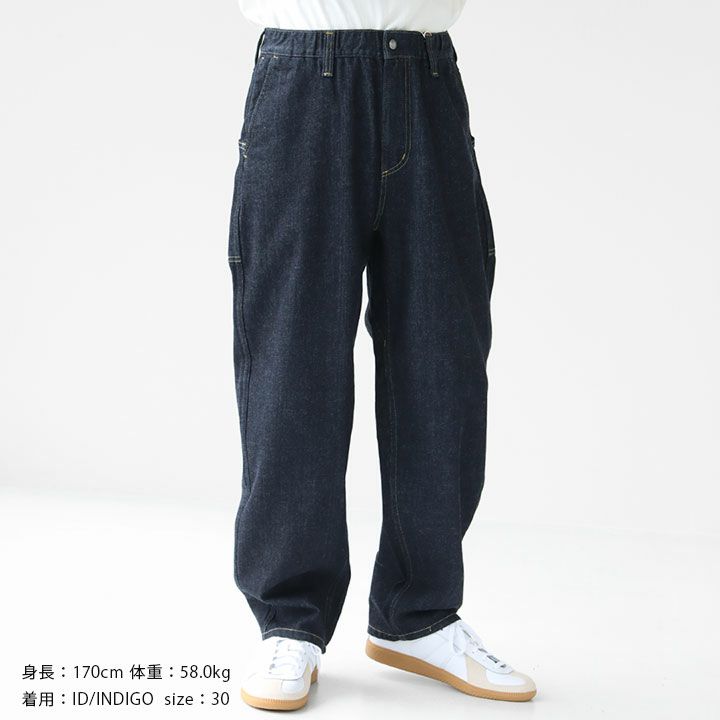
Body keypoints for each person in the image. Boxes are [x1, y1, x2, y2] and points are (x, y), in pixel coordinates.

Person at [227, 1, 536, 710]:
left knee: (443, 357)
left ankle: (417, 613)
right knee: (293, 362)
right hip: (302, 80)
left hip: (427, 77)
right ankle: (290, 621)